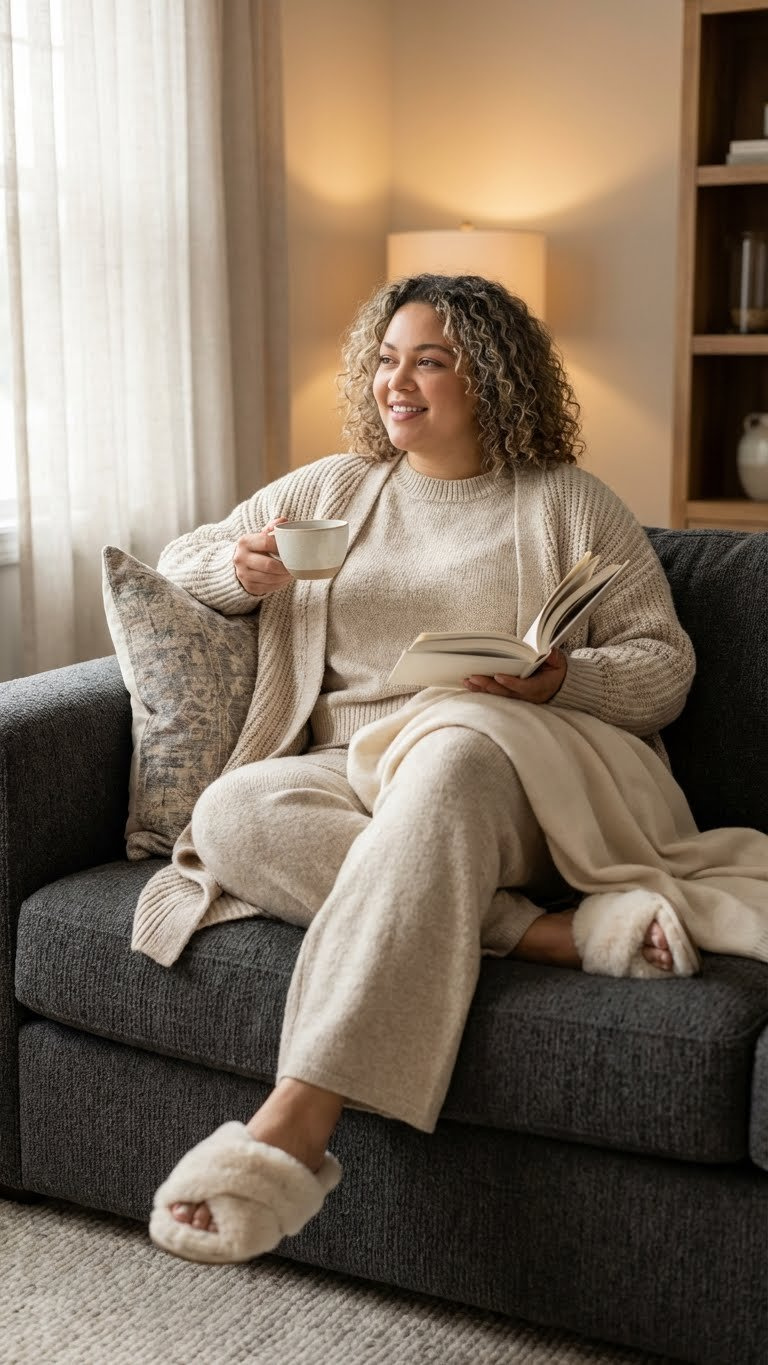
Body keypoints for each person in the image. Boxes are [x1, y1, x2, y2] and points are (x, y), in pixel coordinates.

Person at [141, 273, 766, 1267]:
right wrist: (239, 572)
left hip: (508, 764)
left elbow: (664, 672)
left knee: (452, 749)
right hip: (354, 770)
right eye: (388, 360)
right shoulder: (337, 487)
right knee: (231, 813)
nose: (400, 383)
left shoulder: (569, 502)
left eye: (430, 360)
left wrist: (557, 679)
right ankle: (540, 935)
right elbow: (182, 558)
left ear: (495, 376)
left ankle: (293, 1124)